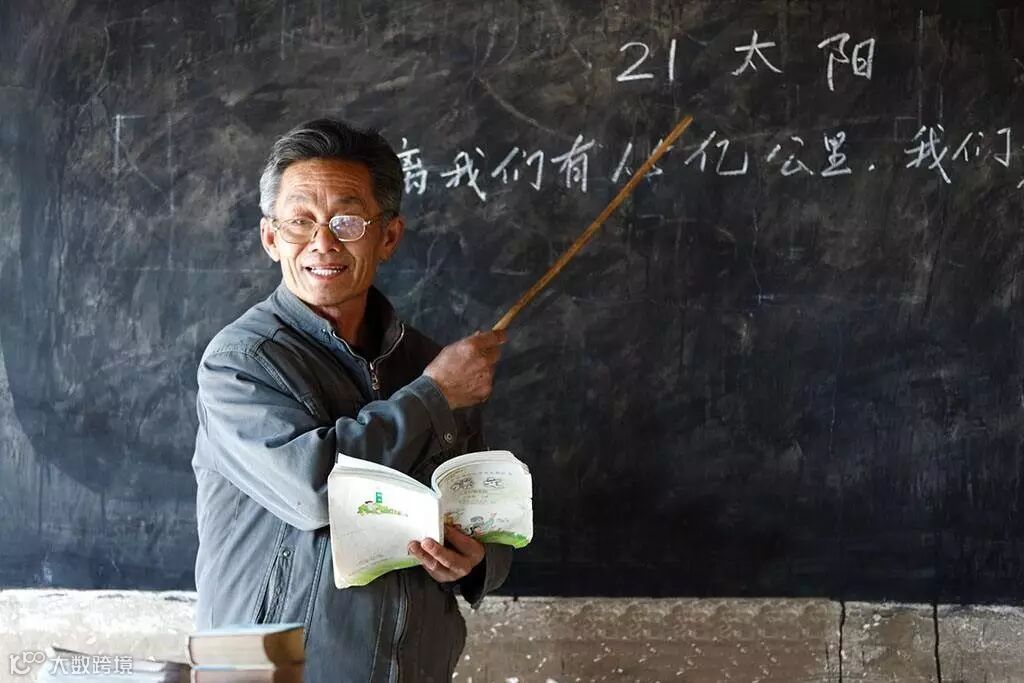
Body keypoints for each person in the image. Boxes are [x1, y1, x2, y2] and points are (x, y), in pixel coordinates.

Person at [191, 118, 511, 682]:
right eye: (300, 221)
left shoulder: (431, 363)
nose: (323, 242)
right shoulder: (240, 360)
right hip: (275, 672)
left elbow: (484, 513)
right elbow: (316, 491)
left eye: (347, 220)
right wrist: (434, 395)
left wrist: (477, 560)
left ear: (387, 236)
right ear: (271, 238)